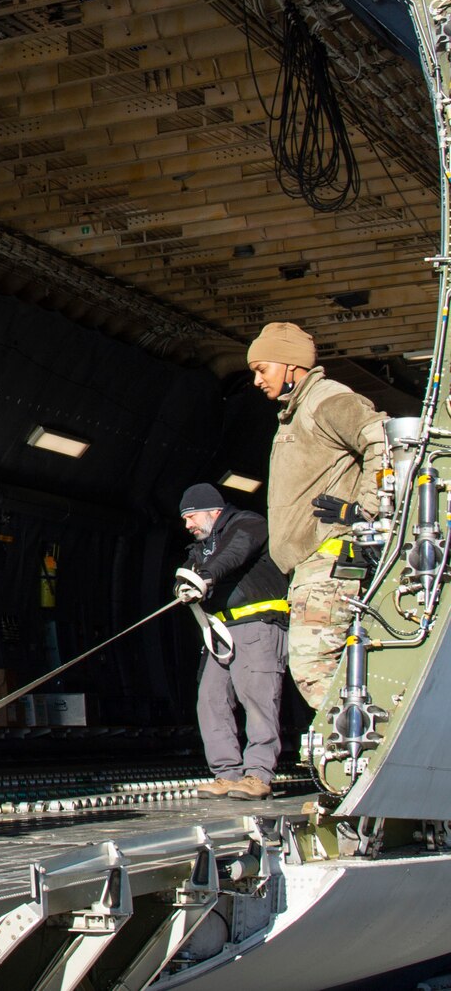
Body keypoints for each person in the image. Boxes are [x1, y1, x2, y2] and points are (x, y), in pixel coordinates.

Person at [247, 321, 386, 710]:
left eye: (263, 369)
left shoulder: (326, 399)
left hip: (329, 555)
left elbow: (380, 437)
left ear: (291, 366)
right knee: (331, 666)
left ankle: (359, 755)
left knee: (313, 667)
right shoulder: (296, 412)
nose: (257, 380)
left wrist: (365, 510)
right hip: (313, 560)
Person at [172, 483, 287, 801]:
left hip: (257, 628)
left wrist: (205, 577)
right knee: (211, 699)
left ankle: (258, 774)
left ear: (212, 510)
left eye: (190, 516)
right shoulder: (202, 547)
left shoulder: (248, 525)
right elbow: (191, 567)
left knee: (258, 700)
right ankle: (226, 774)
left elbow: (235, 553)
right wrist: (184, 581)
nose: (188, 525)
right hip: (220, 633)